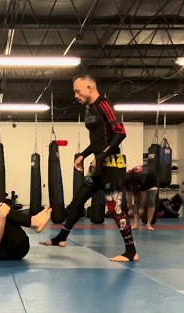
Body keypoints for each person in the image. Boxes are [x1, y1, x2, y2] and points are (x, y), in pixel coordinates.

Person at [44, 74, 139, 262]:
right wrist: (83, 155)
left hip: (113, 164)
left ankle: (131, 251)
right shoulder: (90, 109)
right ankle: (61, 237)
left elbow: (120, 132)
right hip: (98, 164)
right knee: (78, 200)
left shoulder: (104, 104)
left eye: (77, 91)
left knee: (115, 208)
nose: (75, 96)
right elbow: (97, 140)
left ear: (89, 88)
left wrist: (101, 155)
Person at [124, 165, 160, 231]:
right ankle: (136, 224)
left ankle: (148, 224)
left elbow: (143, 194)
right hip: (139, 181)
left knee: (151, 200)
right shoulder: (126, 179)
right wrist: (130, 208)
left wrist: (141, 207)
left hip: (152, 182)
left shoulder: (142, 177)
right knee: (136, 200)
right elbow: (128, 195)